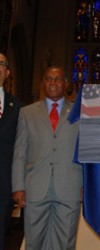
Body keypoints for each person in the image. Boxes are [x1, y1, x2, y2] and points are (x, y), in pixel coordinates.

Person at [12, 66, 83, 249]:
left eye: (57, 79)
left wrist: (86, 184)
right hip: (35, 187)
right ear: (43, 83)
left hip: (70, 186)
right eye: (48, 78)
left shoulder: (80, 112)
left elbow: (85, 150)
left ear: (66, 83)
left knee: (65, 243)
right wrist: (18, 186)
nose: (53, 82)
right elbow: (20, 152)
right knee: (34, 242)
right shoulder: (27, 113)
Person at [0, 52, 22, 250]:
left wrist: (18, 185)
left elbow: (22, 148)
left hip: (3, 187)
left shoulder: (18, 107)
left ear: (7, 72)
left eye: (1, 64)